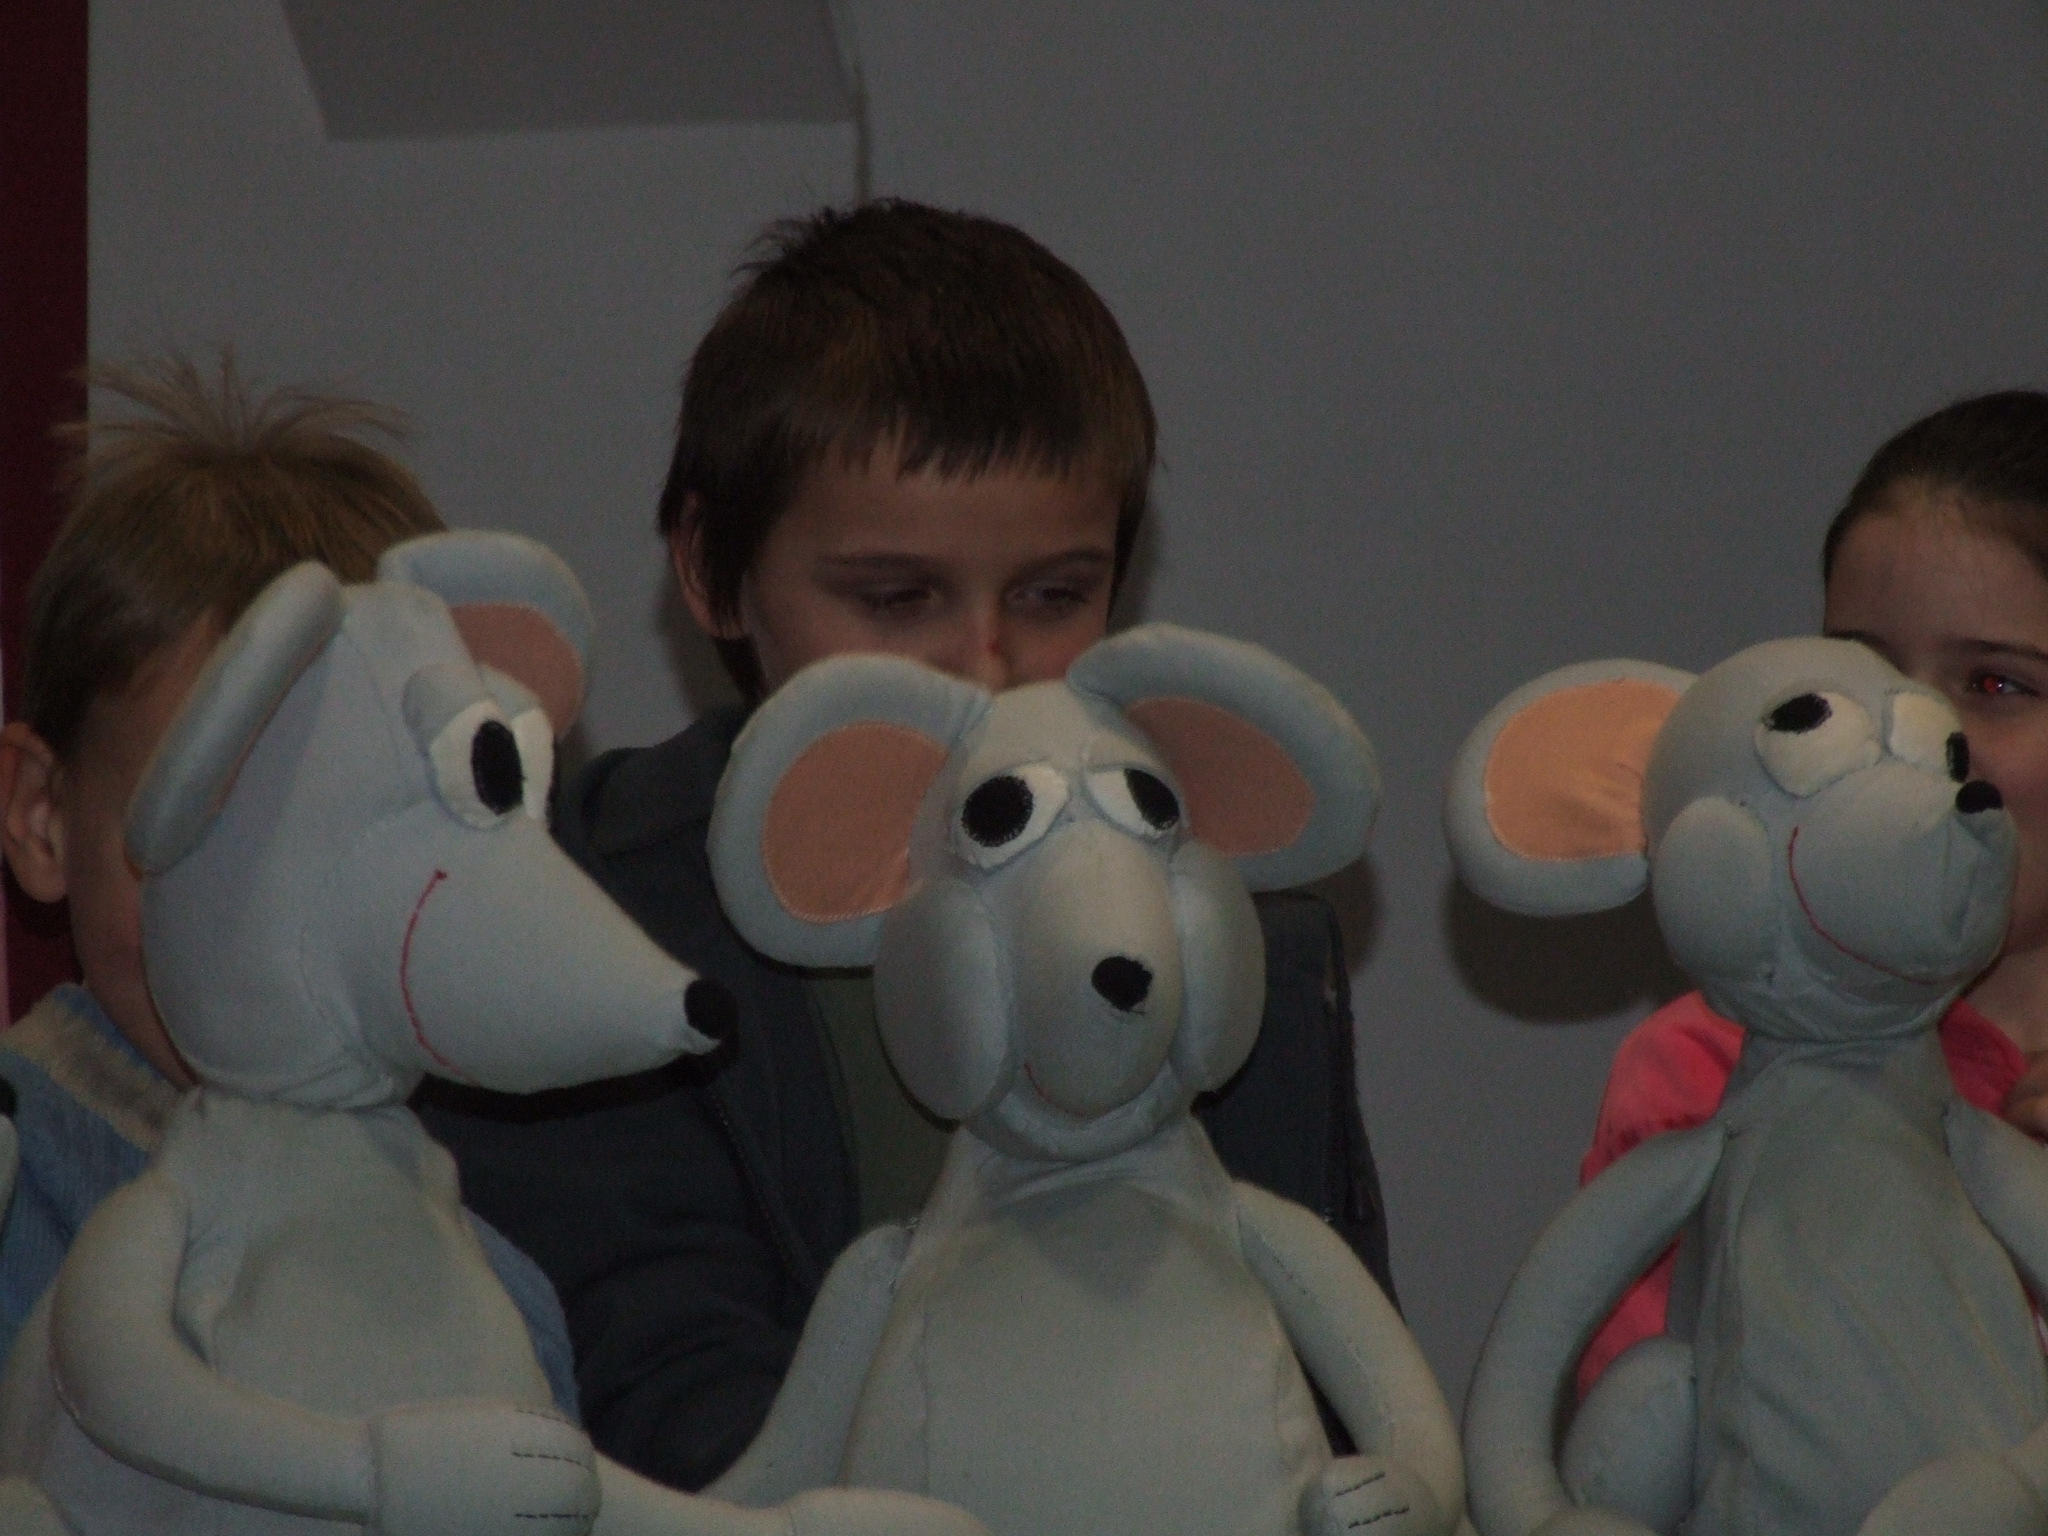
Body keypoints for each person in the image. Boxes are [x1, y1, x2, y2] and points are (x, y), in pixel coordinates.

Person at [417, 199, 1394, 1491]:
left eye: (1054, 594)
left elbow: (1335, 1403)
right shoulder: (582, 929)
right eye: (894, 597)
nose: (983, 667)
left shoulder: (1228, 930)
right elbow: (670, 1413)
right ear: (709, 570)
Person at [0, 355, 580, 1413]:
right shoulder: (15, 1197)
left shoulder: (497, 1298)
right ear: (44, 816)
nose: (264, 918)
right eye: (206, 824)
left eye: (336, 840)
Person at [1575, 389, 2048, 1392]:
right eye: (1860, 672)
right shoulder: (1706, 1077)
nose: (1915, 739)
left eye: (1995, 685)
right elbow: (1673, 1435)